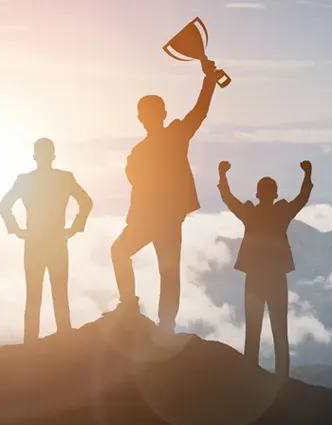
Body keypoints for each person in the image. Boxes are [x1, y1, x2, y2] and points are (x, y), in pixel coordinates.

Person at [111, 60, 227, 332]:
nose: (146, 117)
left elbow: (198, 113)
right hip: (161, 217)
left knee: (126, 254)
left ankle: (135, 308)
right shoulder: (165, 139)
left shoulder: (144, 149)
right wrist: (209, 82)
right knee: (165, 269)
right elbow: (198, 113)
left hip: (153, 217)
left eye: (146, 113)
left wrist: (209, 83)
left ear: (147, 116)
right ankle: (162, 322)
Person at [218, 159, 313, 378]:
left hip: (254, 278)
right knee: (280, 330)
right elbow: (301, 199)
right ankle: (282, 378)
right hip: (277, 277)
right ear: (275, 194)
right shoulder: (282, 213)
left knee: (253, 331)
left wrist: (223, 177)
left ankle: (251, 375)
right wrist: (307, 175)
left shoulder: (250, 213)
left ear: (258, 194)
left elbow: (229, 200)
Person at [0, 138, 93, 343]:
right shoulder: (65, 179)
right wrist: (75, 228)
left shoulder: (24, 181)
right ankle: (65, 342)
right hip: (57, 242)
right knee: (60, 295)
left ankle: (30, 346)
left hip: (33, 243)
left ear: (35, 157)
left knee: (33, 297)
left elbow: (4, 206)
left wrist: (16, 230)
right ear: (53, 156)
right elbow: (86, 202)